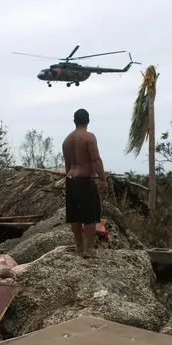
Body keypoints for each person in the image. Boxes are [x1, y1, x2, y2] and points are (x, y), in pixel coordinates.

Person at [61, 108, 108, 258]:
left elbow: (67, 166)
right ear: (88, 121)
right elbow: (96, 160)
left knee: (75, 216)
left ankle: (79, 246)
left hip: (71, 180)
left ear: (74, 121)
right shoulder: (89, 137)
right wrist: (103, 179)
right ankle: (88, 249)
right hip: (84, 181)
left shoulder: (66, 140)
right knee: (89, 217)